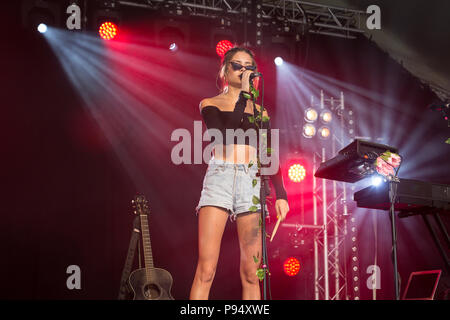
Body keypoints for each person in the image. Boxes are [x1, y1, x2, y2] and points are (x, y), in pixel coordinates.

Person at [190, 47, 290, 300]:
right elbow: (222, 137)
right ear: (225, 70)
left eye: (248, 66)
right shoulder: (209, 104)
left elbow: (267, 153)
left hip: (251, 181)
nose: (243, 70)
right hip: (220, 178)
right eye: (237, 65)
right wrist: (243, 97)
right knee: (207, 269)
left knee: (251, 271)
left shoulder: (261, 112)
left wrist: (282, 194)